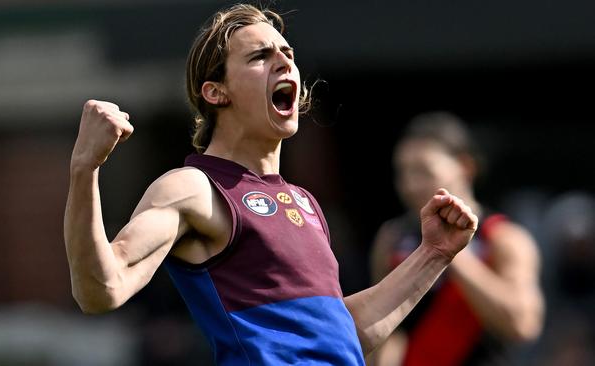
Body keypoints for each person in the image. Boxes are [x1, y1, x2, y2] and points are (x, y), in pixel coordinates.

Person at [64, 5, 478, 365]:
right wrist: (86, 169)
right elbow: (101, 290)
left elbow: (343, 336)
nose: (284, 61)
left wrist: (434, 253)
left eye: (288, 53)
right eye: (261, 56)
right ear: (215, 92)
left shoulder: (304, 202)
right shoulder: (193, 188)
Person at [368, 112, 544, 366]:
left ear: (465, 167)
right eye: (403, 172)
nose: (410, 185)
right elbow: (382, 328)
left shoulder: (503, 238)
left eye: (423, 171)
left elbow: (522, 324)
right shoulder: (393, 238)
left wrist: (449, 252)